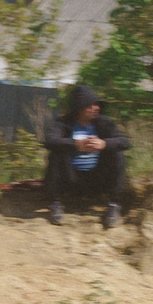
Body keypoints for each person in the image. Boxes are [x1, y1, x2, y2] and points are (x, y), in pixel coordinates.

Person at [40, 83, 130, 229]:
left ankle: (113, 205)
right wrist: (76, 144)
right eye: (91, 105)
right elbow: (49, 140)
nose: (96, 108)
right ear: (80, 107)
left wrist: (104, 144)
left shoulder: (104, 123)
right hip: (70, 179)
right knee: (56, 153)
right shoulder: (62, 123)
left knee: (118, 154)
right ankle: (55, 203)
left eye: (97, 105)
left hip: (97, 179)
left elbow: (125, 142)